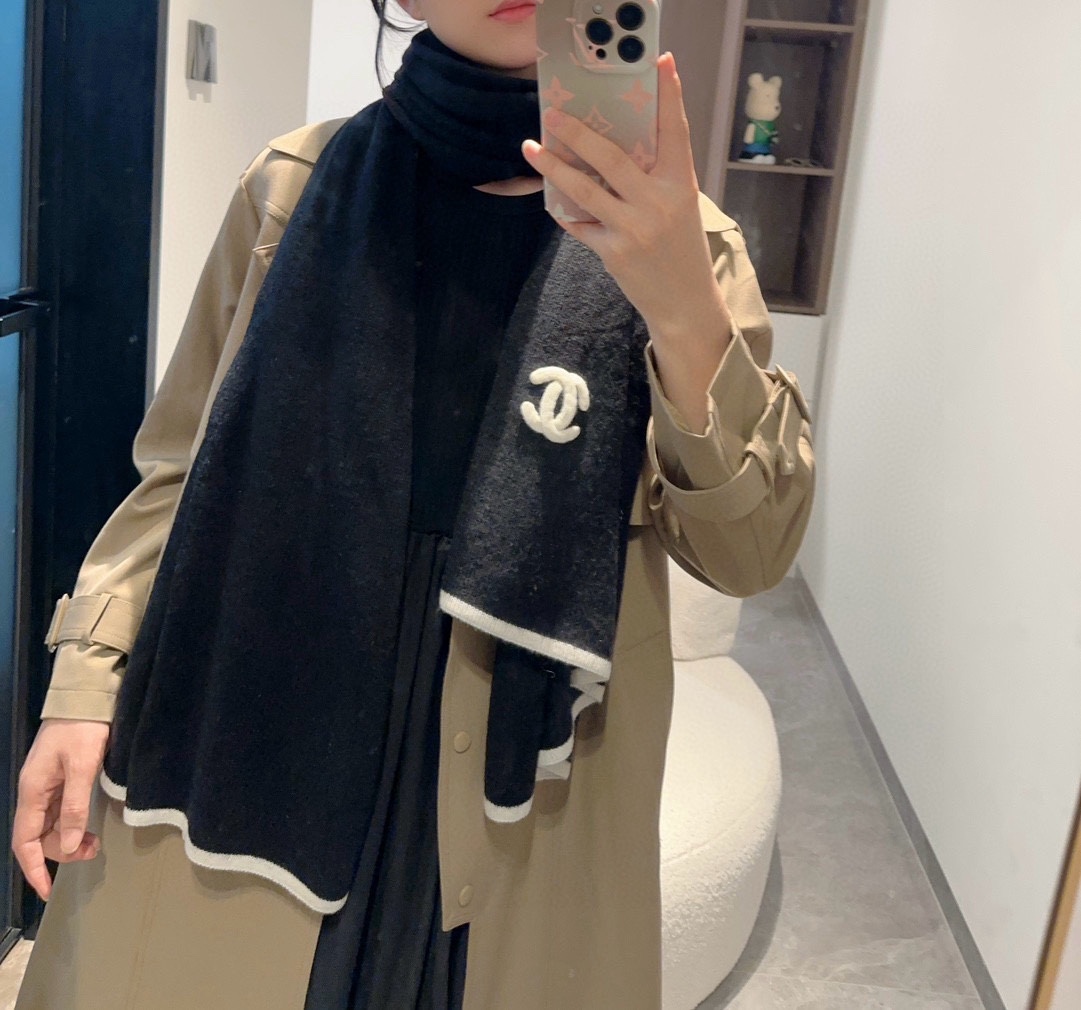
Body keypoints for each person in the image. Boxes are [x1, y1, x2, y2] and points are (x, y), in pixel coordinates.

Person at [10, 2, 816, 1008]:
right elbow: (179, 470)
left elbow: (751, 550)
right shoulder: (290, 190)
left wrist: (681, 301)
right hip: (265, 722)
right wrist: (85, 680)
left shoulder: (685, 236)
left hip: (523, 791)